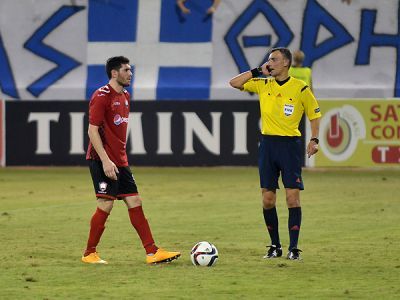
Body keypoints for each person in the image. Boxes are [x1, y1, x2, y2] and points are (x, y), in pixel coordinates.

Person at [82, 56, 181, 264]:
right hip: (102, 160)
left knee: (134, 200)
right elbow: (92, 131)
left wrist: (118, 160)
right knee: (105, 204)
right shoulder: (102, 96)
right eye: (126, 70)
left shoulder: (126, 96)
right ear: (114, 73)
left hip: (120, 160)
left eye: (130, 70)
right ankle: (89, 253)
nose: (130, 74)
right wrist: (106, 161)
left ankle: (152, 252)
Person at [229, 47, 321, 260]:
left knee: (292, 198)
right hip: (268, 146)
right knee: (268, 199)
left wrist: (314, 140)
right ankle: (275, 246)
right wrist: (256, 71)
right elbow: (234, 83)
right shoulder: (263, 84)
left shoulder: (300, 88)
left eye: (274, 59)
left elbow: (314, 115)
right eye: (269, 59)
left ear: (286, 63)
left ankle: (294, 248)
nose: (269, 62)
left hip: (289, 146)